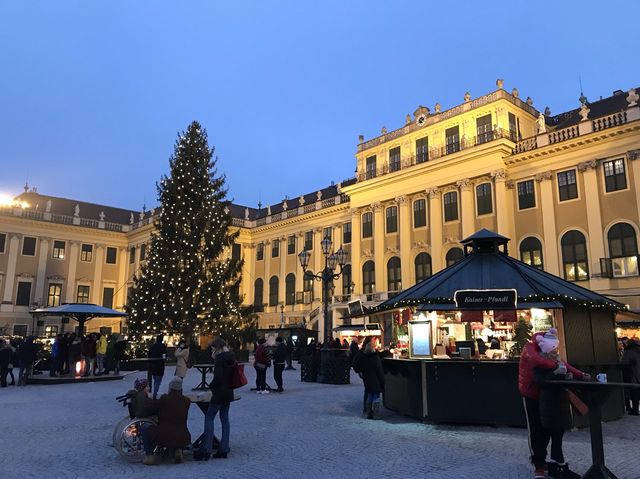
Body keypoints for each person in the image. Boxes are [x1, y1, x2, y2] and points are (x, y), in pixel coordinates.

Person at [519, 328, 586, 479]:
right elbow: (538, 361)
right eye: (553, 348)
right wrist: (556, 366)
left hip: (548, 397)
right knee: (536, 430)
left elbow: (563, 364)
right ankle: (539, 465)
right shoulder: (530, 348)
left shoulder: (549, 352)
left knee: (552, 429)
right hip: (531, 394)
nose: (555, 350)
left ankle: (552, 463)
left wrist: (579, 374)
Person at [194, 337, 235, 461]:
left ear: (216, 348)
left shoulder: (219, 359)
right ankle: (224, 448)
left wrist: (210, 386)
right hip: (229, 392)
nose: (211, 351)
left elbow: (217, 377)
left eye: (212, 348)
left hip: (219, 393)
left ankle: (206, 450)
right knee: (225, 420)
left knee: (209, 417)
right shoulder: (231, 357)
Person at [141, 376, 191, 465]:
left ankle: (150, 456)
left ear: (170, 388)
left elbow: (154, 408)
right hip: (184, 437)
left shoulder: (164, 399)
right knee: (176, 427)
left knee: (145, 427)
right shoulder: (186, 401)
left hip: (164, 436)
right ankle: (177, 450)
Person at [358, 340, 385, 419]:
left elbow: (361, 368)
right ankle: (376, 414)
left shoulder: (364, 358)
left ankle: (368, 413)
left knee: (369, 396)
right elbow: (379, 371)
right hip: (375, 380)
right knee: (376, 397)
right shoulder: (376, 358)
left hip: (367, 380)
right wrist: (383, 381)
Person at [621, 337, 640, 415]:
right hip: (638, 373)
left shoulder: (628, 352)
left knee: (633, 393)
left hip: (633, 374)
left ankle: (634, 410)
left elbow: (624, 363)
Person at [148, 335, 167, 400]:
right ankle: (155, 394)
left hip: (153, 365)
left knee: (155, 379)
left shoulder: (152, 346)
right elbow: (164, 355)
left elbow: (149, 355)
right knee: (158, 380)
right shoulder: (163, 346)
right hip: (160, 365)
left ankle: (153, 392)